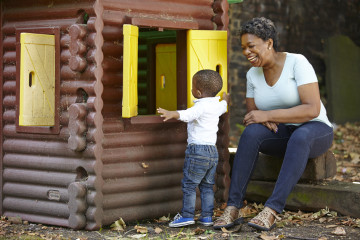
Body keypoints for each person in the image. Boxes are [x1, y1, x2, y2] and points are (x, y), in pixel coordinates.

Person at [213, 17, 334, 231]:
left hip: (315, 129)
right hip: (282, 133)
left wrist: (268, 114)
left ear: (269, 43)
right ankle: (233, 206)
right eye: (243, 48)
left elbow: (312, 108)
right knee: (251, 133)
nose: (246, 52)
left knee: (301, 136)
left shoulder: (298, 63)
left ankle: (272, 209)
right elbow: (253, 114)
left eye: (251, 46)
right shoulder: (252, 74)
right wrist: (262, 117)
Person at [158, 69, 229, 227]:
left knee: (189, 185)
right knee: (207, 186)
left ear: (198, 92)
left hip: (198, 151)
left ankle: (187, 215)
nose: (191, 89)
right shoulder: (216, 106)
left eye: (192, 87)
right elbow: (224, 105)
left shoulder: (201, 106)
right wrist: (225, 98)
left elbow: (187, 114)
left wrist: (171, 113)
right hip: (212, 152)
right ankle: (207, 217)